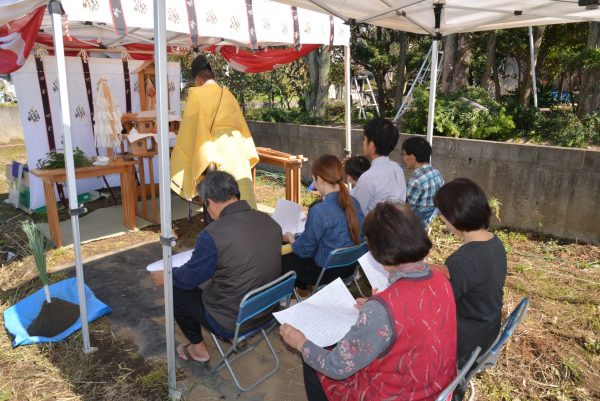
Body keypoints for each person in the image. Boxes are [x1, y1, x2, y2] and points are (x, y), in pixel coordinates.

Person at [280, 203, 457, 401]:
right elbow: (416, 318)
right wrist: (379, 307)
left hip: (398, 395)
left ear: (380, 253)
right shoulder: (441, 279)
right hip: (439, 388)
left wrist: (301, 343)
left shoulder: (381, 310)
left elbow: (336, 367)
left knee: (315, 359)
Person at [152, 171, 281, 363]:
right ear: (235, 194)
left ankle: (198, 350)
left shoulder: (213, 234)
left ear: (210, 202)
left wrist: (168, 275)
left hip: (234, 319)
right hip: (267, 309)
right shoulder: (268, 220)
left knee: (176, 289)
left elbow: (188, 279)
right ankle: (227, 336)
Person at [433, 178, 507, 369]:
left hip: (467, 342)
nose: (441, 218)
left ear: (456, 216)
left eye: (443, 214)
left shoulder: (463, 259)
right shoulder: (494, 243)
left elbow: (438, 304)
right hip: (486, 328)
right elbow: (470, 279)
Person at [170, 54, 259, 210]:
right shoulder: (229, 94)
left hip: (216, 154)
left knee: (220, 198)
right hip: (238, 154)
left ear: (198, 79)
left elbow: (189, 132)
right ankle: (247, 227)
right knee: (242, 194)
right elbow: (242, 126)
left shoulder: (197, 95)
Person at [282, 154, 364, 294]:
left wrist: (290, 238)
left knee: (283, 258)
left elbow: (304, 250)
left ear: (319, 179)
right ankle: (301, 292)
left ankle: (291, 296)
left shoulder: (319, 210)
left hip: (325, 272)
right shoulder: (353, 202)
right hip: (349, 268)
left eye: (313, 180)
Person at [352, 118, 406, 215]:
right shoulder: (398, 169)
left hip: (372, 228)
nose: (363, 143)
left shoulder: (368, 177)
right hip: (396, 226)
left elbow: (356, 211)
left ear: (372, 145)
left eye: (364, 139)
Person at [401, 136, 444, 226]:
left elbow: (406, 211)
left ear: (412, 157)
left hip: (416, 226)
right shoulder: (436, 173)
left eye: (404, 155)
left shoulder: (415, 182)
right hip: (431, 222)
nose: (404, 158)